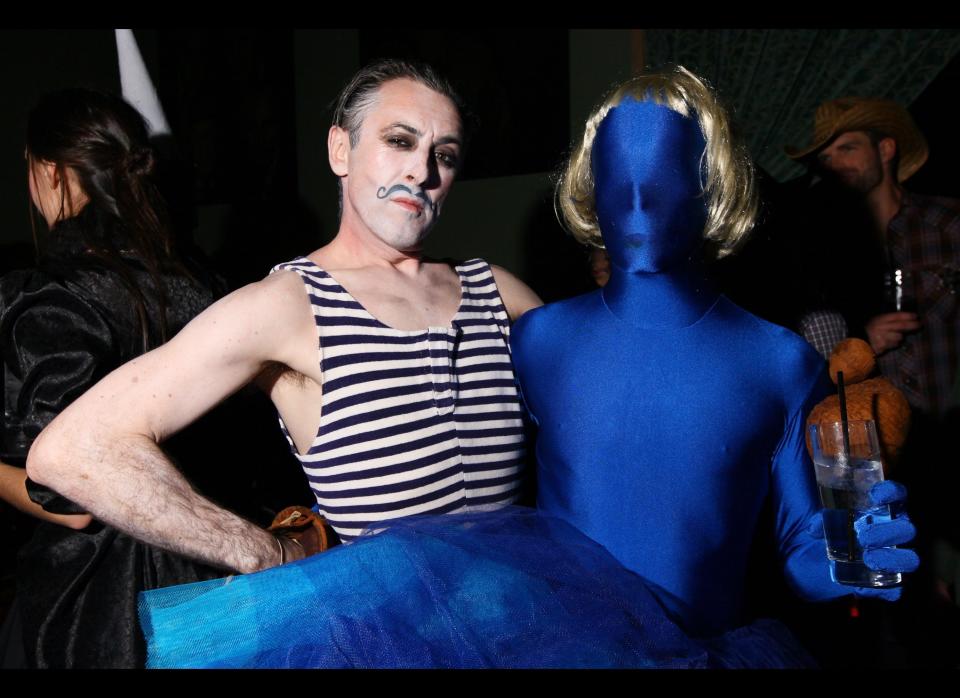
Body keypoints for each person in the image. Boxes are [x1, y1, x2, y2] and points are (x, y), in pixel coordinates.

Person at [25, 59, 542, 573]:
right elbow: (74, 448)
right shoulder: (288, 303)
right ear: (341, 149)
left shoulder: (497, 290)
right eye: (400, 142)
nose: (421, 171)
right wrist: (261, 550)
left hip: (525, 608)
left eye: (445, 155)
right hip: (388, 631)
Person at [510, 67, 918, 641]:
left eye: (664, 177)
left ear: (711, 187)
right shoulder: (537, 341)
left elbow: (800, 544)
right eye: (614, 175)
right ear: (590, 186)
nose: (635, 200)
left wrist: (849, 557)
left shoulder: (779, 361)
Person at [0, 88, 229, 667]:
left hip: (100, 605)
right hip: (215, 581)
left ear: (50, 172)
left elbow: (69, 499)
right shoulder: (203, 285)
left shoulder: (51, 295)